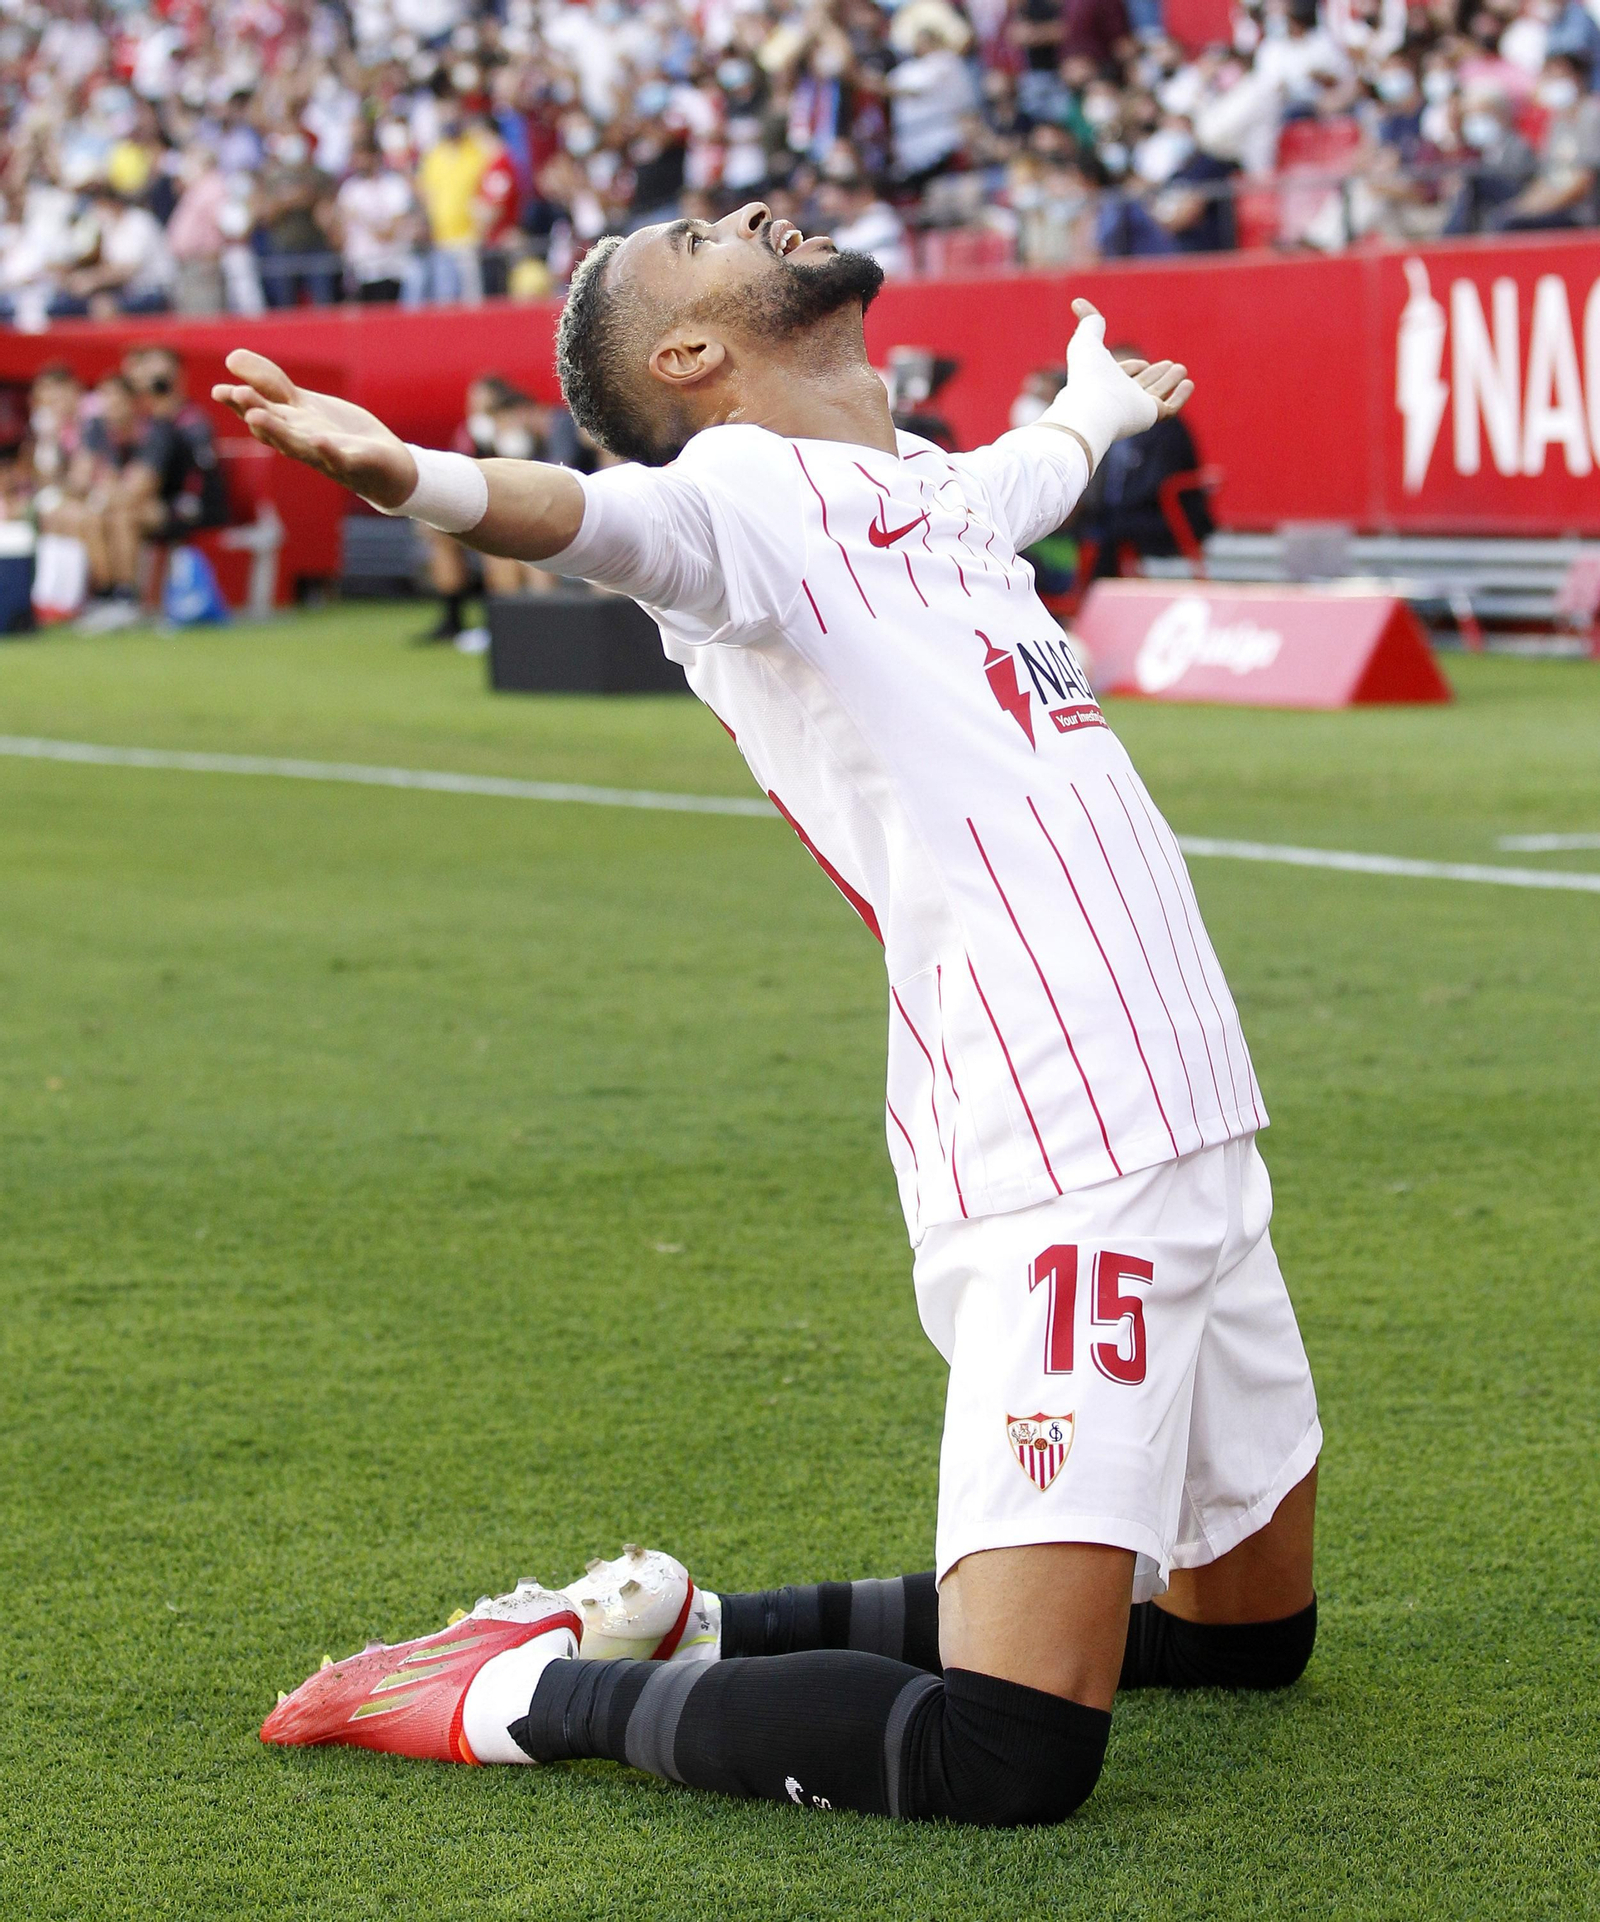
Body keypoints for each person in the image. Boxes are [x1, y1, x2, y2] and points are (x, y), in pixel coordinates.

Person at [216, 200, 1320, 1829]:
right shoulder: (730, 499)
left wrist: (1098, 395)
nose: (741, 208)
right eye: (691, 236)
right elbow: (594, 521)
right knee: (1006, 1756)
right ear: (689, 356)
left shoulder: (927, 486)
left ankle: (696, 1625)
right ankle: (517, 1689)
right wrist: (414, 480)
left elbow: (1045, 461)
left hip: (1192, 1116)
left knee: (1246, 1637)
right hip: (1061, 1137)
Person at [79, 348, 227, 630]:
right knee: (98, 515)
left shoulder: (177, 424)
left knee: (124, 515)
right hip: (159, 503)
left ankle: (126, 600)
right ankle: (108, 596)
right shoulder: (122, 429)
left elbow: (145, 485)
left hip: (192, 507)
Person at [1074, 345, 1214, 575]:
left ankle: (1096, 600)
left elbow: (1155, 483)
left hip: (1161, 517)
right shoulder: (1104, 421)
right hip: (1117, 513)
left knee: (1108, 530)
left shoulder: (1165, 422)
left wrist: (1110, 509)